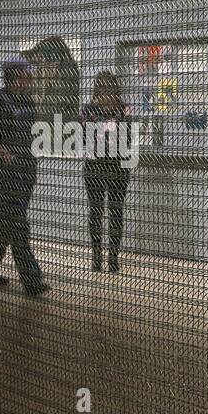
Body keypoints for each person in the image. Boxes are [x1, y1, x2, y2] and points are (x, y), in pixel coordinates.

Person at [0, 58, 46, 297]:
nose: (32, 79)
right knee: (18, 222)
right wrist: (1, 152)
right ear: (16, 77)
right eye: (28, 75)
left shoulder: (26, 100)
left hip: (27, 170)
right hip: (7, 171)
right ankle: (32, 281)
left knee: (7, 220)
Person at [81, 71, 130, 273]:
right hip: (94, 165)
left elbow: (127, 136)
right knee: (96, 211)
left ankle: (113, 257)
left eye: (110, 89)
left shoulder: (123, 109)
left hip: (118, 165)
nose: (106, 94)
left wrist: (103, 129)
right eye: (102, 89)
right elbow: (85, 135)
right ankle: (96, 256)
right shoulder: (88, 109)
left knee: (116, 211)